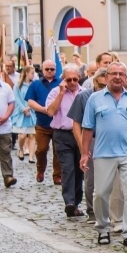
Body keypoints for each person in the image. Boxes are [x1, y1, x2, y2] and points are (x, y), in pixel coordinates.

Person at [80, 62, 127, 248]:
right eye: (113, 73)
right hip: (103, 153)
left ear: (126, 77)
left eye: (121, 74)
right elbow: (87, 127)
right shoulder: (95, 99)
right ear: (106, 77)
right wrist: (84, 153)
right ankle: (103, 228)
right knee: (100, 193)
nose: (117, 77)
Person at [69, 68, 108, 224]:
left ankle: (109, 211)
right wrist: (82, 146)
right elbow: (76, 124)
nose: (104, 88)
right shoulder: (83, 97)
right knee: (90, 177)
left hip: (108, 140)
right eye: (101, 85)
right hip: (91, 139)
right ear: (94, 82)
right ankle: (92, 211)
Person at [46, 65, 85, 218]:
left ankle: (76, 203)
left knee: (79, 170)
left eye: (75, 79)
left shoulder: (84, 93)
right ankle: (69, 202)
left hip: (81, 134)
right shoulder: (55, 92)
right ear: (63, 79)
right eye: (69, 80)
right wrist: (61, 93)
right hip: (62, 135)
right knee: (67, 168)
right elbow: (50, 111)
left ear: (79, 78)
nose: (72, 82)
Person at [26, 60, 61, 184]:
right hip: (42, 123)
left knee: (58, 151)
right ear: (42, 69)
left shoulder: (61, 83)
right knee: (41, 149)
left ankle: (57, 175)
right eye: (47, 69)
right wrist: (43, 109)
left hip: (58, 123)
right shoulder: (36, 84)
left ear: (55, 70)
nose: (50, 71)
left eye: (52, 69)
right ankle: (40, 169)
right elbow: (30, 101)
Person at [12, 65, 37, 163]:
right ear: (26, 73)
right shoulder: (18, 85)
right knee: (22, 135)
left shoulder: (34, 85)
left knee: (32, 135)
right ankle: (21, 149)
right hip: (21, 112)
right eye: (32, 73)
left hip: (31, 111)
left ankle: (31, 156)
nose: (33, 75)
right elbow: (17, 98)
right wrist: (24, 109)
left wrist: (29, 108)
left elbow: (35, 98)